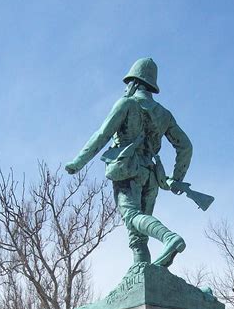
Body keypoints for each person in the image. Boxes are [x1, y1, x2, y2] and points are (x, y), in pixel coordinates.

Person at [65, 58, 193, 268]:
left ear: (133, 82)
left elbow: (102, 135)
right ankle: (140, 270)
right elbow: (185, 146)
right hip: (151, 175)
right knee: (138, 232)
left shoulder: (126, 103)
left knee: (132, 216)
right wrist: (177, 178)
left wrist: (78, 162)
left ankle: (169, 237)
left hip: (127, 170)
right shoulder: (164, 114)